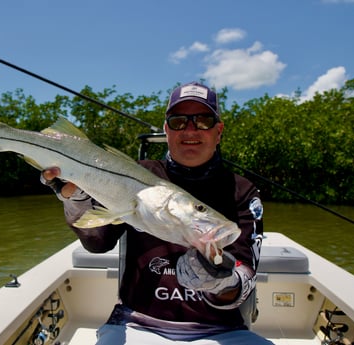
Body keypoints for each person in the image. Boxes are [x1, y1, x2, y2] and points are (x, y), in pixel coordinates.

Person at [42, 81, 272, 344]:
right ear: (166, 130)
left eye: (203, 120)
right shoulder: (140, 173)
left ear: (218, 131)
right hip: (136, 321)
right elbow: (97, 241)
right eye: (178, 121)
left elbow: (245, 274)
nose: (190, 129)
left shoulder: (242, 191)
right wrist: (75, 197)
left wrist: (221, 282)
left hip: (222, 330)